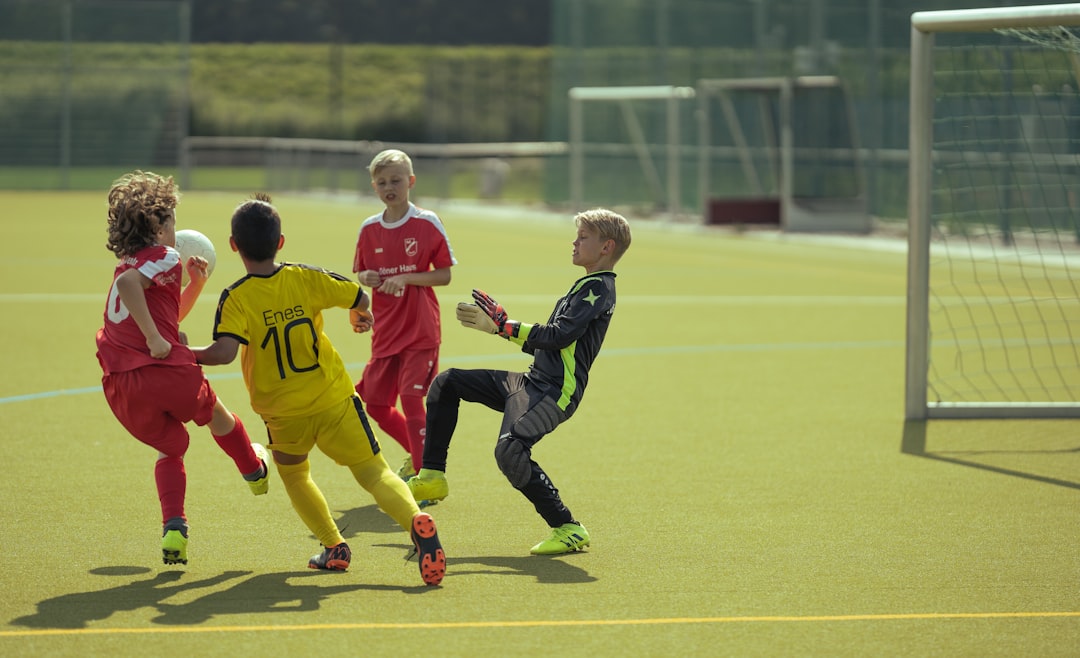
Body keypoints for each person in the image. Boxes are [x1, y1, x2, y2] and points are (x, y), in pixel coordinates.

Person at [192, 193, 445, 586]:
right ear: (280, 242)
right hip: (334, 399)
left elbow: (222, 354)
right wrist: (359, 315)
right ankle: (416, 522)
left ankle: (334, 546)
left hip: (283, 413)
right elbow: (358, 295)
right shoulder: (304, 276)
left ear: (233, 246)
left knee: (295, 476)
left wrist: (182, 353)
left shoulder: (235, 298)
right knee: (374, 472)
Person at [407, 208, 631, 555]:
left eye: (583, 237)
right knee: (447, 382)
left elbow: (557, 336)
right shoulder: (587, 285)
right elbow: (545, 343)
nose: (574, 242)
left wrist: (504, 324)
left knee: (510, 451)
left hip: (554, 393)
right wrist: (499, 328)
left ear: (606, 247)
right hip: (531, 383)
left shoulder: (599, 288)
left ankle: (568, 527)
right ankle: (433, 476)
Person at [95, 170, 270, 567]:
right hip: (165, 372)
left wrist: (195, 285)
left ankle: (174, 527)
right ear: (157, 225)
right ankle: (253, 470)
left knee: (169, 447)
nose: (176, 228)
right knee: (215, 413)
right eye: (172, 220)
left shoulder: (128, 262)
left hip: (124, 387)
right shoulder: (165, 255)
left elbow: (164, 317)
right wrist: (157, 342)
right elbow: (136, 299)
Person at [352, 149, 457, 485]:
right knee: (376, 406)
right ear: (374, 187)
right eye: (382, 182)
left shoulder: (426, 222)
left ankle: (428, 475)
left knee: (412, 398)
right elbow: (362, 273)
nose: (389, 187)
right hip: (385, 330)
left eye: (396, 180)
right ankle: (417, 458)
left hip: (419, 329)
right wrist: (366, 278)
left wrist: (408, 277)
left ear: (410, 182)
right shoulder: (369, 229)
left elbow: (443, 275)